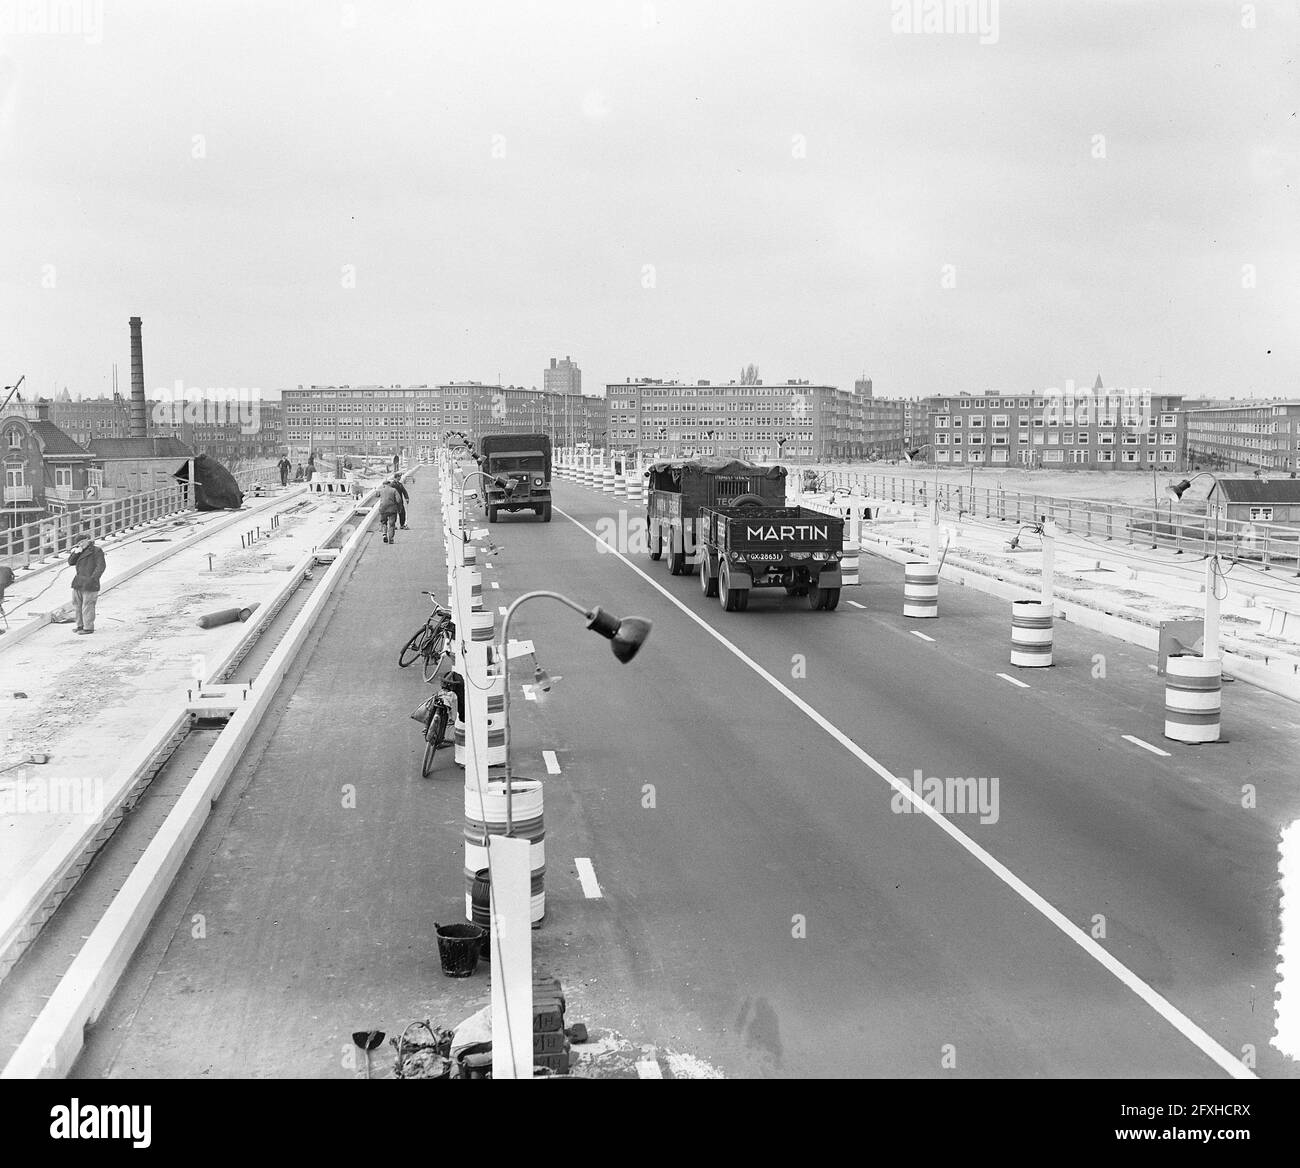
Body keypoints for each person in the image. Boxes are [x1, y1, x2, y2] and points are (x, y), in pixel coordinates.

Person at [68, 536, 106, 635]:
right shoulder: (79, 551)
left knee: (88, 605)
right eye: (79, 543)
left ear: (87, 540)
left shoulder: (96, 550)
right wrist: (76, 552)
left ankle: (88, 627)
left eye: (82, 542)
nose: (81, 544)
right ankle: (80, 625)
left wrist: (93, 578)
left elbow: (101, 566)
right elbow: (71, 562)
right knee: (77, 605)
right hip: (79, 582)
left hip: (90, 582)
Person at [378, 479, 400, 543]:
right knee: (392, 524)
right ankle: (391, 539)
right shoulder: (394, 490)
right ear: (389, 484)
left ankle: (384, 534)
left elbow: (376, 495)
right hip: (392, 509)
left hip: (383, 509)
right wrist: (398, 506)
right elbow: (398, 500)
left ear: (384, 485)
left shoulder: (381, 490)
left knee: (384, 522)